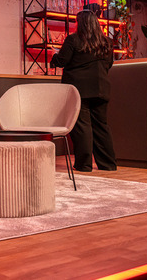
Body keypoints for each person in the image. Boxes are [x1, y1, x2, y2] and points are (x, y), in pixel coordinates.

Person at [50, 9, 117, 172]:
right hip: (101, 89)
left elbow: (62, 61)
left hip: (79, 90)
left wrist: (54, 55)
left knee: (82, 127)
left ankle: (84, 164)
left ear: (80, 23)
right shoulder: (107, 42)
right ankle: (108, 164)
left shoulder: (73, 40)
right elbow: (109, 64)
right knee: (101, 126)